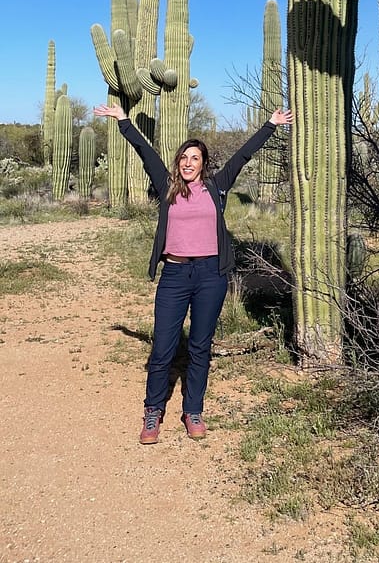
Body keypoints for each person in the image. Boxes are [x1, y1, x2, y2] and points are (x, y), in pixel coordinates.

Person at [94, 102, 293, 444]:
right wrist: (123, 121)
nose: (188, 164)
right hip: (174, 274)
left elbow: (243, 156)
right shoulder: (167, 185)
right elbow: (145, 152)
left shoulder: (217, 187)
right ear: (178, 164)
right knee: (163, 348)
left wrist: (270, 125)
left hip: (210, 276)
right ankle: (153, 411)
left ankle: (193, 410)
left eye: (195, 159)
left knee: (200, 346)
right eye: (184, 159)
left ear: (203, 164)